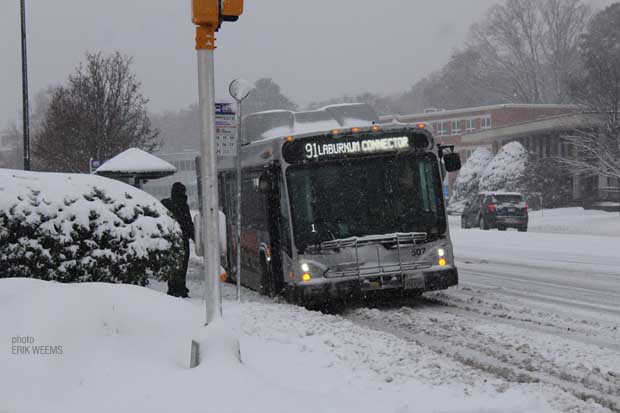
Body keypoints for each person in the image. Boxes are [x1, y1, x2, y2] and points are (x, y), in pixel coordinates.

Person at [162, 182, 194, 297]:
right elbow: (188, 223)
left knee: (172, 264)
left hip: (170, 240)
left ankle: (173, 288)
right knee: (183, 265)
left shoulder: (165, 203)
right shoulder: (183, 205)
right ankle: (180, 287)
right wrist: (194, 237)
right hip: (183, 239)